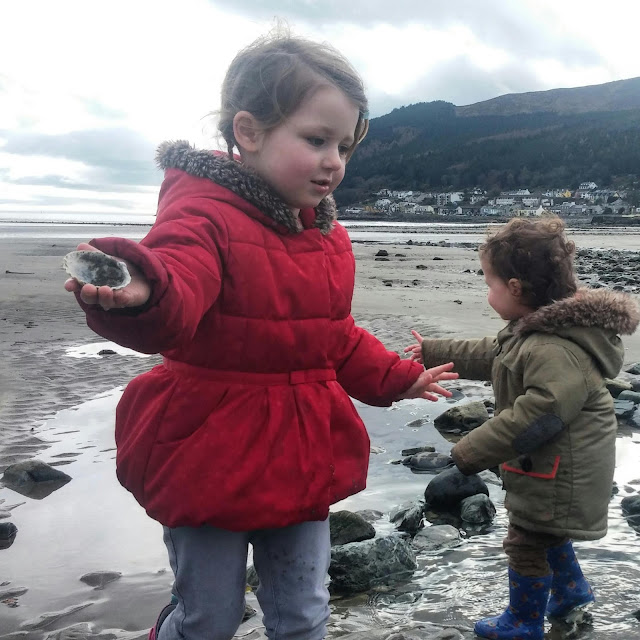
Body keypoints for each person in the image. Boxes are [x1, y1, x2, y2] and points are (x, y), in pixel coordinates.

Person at [65, 31, 458, 640]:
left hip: (299, 453)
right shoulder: (203, 213)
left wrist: (397, 377)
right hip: (208, 452)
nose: (334, 161)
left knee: (304, 614)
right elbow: (178, 278)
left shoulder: (328, 237)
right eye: (316, 140)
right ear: (248, 132)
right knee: (209, 618)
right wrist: (143, 289)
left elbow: (333, 336)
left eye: (344, 146)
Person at [405, 217, 639, 640]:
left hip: (560, 471)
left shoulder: (553, 347)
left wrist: (469, 451)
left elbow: (539, 414)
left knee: (525, 541)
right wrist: (433, 351)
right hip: (552, 465)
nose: (487, 292)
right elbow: (493, 354)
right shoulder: (537, 331)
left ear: (514, 288)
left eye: (489, 283)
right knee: (545, 533)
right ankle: (570, 591)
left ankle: (523, 622)